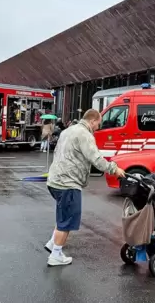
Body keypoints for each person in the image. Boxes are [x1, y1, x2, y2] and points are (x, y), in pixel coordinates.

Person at [44, 109, 126, 267]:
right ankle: (56, 255)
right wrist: (114, 169)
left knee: (63, 215)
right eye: (98, 124)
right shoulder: (84, 135)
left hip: (55, 180)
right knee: (67, 220)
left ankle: (52, 244)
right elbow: (96, 158)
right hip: (68, 183)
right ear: (93, 120)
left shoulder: (68, 131)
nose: (98, 127)